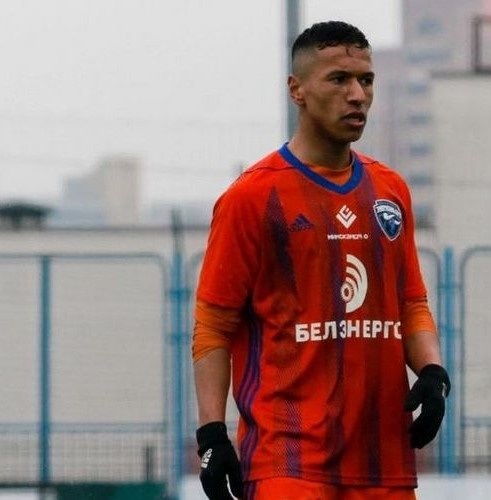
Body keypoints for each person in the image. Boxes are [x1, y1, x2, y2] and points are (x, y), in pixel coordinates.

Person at [191, 21, 450, 500]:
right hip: (289, 464)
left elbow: (411, 303)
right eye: (339, 79)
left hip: (383, 464)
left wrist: (433, 373)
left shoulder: (390, 190)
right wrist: (211, 435)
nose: (357, 95)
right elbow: (213, 325)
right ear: (298, 90)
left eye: (366, 80)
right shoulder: (252, 197)